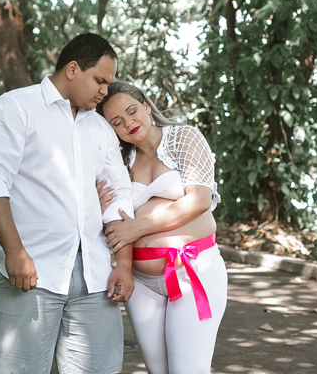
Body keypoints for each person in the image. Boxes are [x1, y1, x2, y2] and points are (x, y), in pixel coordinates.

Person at [0, 34, 136, 374]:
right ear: (73, 69)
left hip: (94, 276)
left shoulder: (100, 128)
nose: (105, 91)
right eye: (100, 80)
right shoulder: (13, 108)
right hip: (31, 272)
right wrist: (15, 252)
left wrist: (124, 263)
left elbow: (118, 193)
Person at [96, 82, 228, 374]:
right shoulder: (119, 161)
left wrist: (138, 228)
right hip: (141, 283)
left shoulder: (184, 138)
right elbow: (113, 215)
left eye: (132, 111)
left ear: (145, 105)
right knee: (160, 371)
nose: (128, 123)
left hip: (191, 270)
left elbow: (199, 200)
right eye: (116, 122)